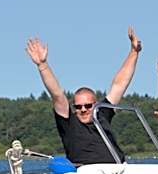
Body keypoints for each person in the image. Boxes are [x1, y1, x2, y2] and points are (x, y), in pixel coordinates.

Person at [25, 27, 142, 165]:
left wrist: (134, 52)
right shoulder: (69, 123)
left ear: (95, 104)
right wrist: (42, 65)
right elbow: (57, 94)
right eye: (78, 107)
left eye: (88, 106)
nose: (83, 109)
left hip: (117, 171)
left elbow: (119, 84)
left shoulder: (101, 114)